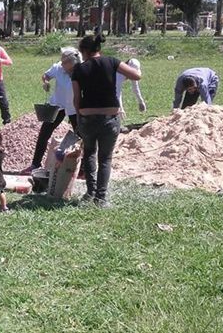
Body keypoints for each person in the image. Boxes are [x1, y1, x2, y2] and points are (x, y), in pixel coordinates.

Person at [72, 34, 141, 207]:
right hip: (110, 117)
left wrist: (79, 117)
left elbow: (76, 98)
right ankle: (101, 198)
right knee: (105, 158)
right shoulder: (111, 61)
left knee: (89, 153)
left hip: (87, 116)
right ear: (98, 49)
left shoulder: (79, 69)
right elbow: (136, 76)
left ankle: (90, 192)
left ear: (84, 51)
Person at [23, 47, 82, 174]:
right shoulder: (58, 68)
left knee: (81, 135)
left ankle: (82, 168)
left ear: (73, 62)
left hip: (74, 106)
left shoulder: (81, 70)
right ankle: (35, 164)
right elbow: (46, 75)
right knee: (44, 133)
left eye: (65, 62)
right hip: (58, 105)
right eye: (62, 61)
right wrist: (45, 82)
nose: (62, 64)